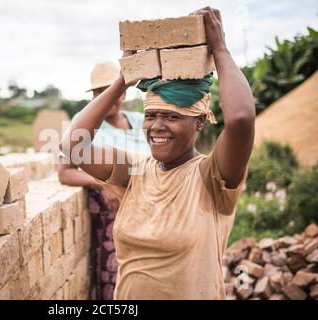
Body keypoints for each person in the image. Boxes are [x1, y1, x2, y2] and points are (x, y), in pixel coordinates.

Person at [60, 7, 255, 299]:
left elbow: (240, 120)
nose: (157, 127)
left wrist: (220, 49)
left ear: (199, 121)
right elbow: (72, 146)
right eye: (150, 115)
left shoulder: (212, 177)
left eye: (173, 117)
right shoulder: (135, 171)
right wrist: (124, 78)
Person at [57, 62, 150, 300]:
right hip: (114, 210)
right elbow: (65, 172)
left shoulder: (138, 121)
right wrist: (103, 183)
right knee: (116, 274)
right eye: (100, 92)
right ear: (94, 96)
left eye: (114, 90)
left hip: (148, 206)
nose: (110, 98)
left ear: (124, 91)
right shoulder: (85, 124)